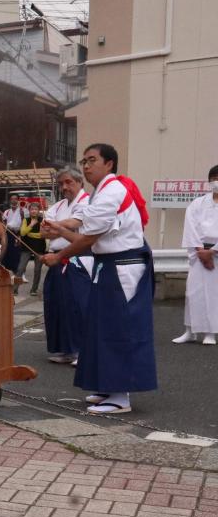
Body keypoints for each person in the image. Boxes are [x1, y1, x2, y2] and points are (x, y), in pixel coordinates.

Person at [42, 143, 157, 414]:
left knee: (118, 330)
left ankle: (121, 396)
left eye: (92, 160)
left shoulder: (112, 191)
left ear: (109, 164)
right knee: (99, 328)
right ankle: (107, 386)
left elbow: (89, 238)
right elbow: (90, 237)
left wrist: (59, 257)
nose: (86, 165)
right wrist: (60, 228)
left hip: (121, 268)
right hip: (108, 266)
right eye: (84, 161)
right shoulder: (102, 192)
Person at [42, 167, 92, 364]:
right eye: (61, 183)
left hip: (77, 259)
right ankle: (65, 349)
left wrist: (56, 226)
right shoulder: (60, 204)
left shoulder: (87, 201)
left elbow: (75, 223)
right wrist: (57, 227)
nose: (65, 187)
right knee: (56, 305)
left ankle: (82, 351)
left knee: (77, 306)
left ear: (80, 182)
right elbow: (44, 232)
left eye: (69, 182)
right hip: (57, 258)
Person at [173, 165, 218, 345]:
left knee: (214, 295)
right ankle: (190, 330)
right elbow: (191, 227)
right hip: (200, 254)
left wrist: (213, 251)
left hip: (215, 254)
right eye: (213, 178)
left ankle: (210, 332)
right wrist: (201, 252)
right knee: (193, 292)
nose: (216, 182)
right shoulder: (198, 203)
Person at [16, 203, 47, 295]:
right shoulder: (26, 220)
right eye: (32, 209)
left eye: (35, 209)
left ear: (38, 211)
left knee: (37, 270)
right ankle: (15, 289)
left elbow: (43, 234)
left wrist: (30, 234)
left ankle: (34, 289)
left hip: (39, 247)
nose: (33, 211)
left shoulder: (43, 220)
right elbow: (22, 233)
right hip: (26, 247)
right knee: (20, 268)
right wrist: (31, 225)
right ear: (29, 211)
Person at [2, 195, 25, 278]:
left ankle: (18, 272)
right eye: (11, 199)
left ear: (18, 200)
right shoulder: (6, 212)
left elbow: (24, 222)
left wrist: (20, 235)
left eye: (15, 199)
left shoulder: (22, 211)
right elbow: (4, 222)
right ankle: (7, 271)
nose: (13, 201)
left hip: (18, 234)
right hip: (8, 234)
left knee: (17, 252)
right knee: (7, 251)